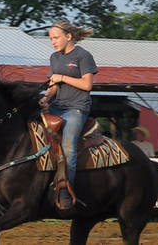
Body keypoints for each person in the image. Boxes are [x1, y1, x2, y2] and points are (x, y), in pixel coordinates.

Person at [39, 20, 98, 210]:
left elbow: (87, 85)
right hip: (56, 106)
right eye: (51, 39)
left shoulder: (83, 56)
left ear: (68, 36)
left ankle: (65, 189)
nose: (53, 42)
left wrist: (62, 77)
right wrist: (46, 98)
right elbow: (53, 85)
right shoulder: (54, 57)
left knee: (68, 146)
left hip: (76, 108)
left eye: (56, 38)